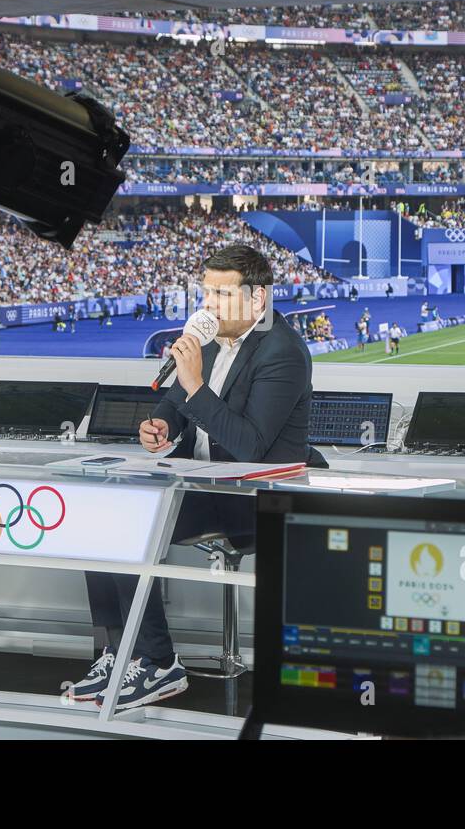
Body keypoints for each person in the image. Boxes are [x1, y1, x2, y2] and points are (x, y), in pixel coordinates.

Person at [75, 245, 312, 711]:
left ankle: (158, 663)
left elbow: (250, 447)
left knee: (129, 523)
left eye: (222, 295)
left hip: (254, 494)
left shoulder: (284, 353)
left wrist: (196, 385)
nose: (209, 304)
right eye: (206, 292)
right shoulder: (206, 337)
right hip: (200, 484)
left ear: (257, 299)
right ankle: (118, 650)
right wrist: (161, 427)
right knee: (99, 518)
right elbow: (178, 406)